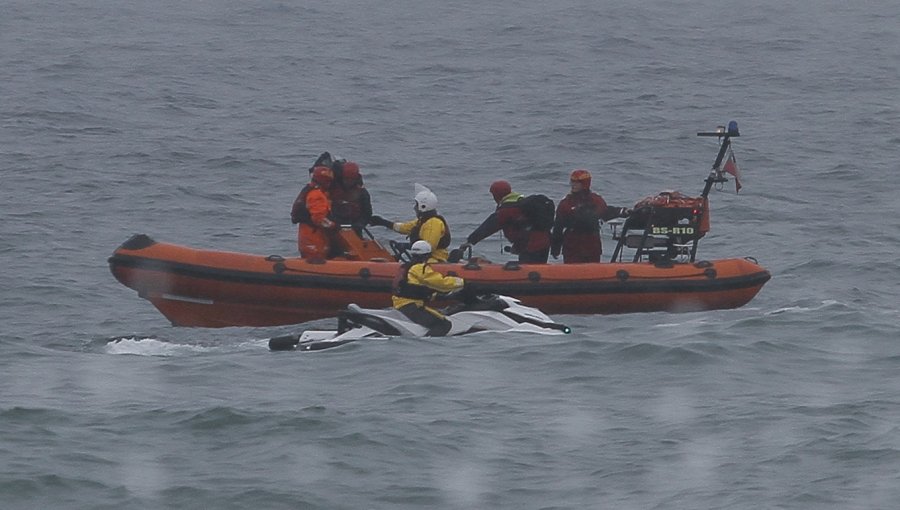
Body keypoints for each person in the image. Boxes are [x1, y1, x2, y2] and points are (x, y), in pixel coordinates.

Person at [458, 180, 551, 263]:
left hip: (530, 247)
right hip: (544, 243)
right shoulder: (523, 203)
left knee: (529, 272)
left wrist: (470, 241)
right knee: (539, 271)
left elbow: (488, 227)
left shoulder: (506, 210)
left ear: (496, 195)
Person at [550, 169, 629, 263]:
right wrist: (555, 248)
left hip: (591, 246)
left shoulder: (596, 200)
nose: (573, 185)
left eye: (577, 182)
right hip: (572, 246)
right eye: (572, 182)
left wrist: (623, 212)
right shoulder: (566, 203)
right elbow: (558, 227)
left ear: (585, 183)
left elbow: (606, 212)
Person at [392, 240, 465, 336]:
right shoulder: (420, 268)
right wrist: (462, 282)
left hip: (402, 304)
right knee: (444, 324)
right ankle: (427, 345)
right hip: (411, 306)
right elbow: (440, 283)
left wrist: (440, 296)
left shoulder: (406, 266)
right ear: (428, 254)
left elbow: (420, 287)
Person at [369, 184, 452, 262]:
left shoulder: (433, 223)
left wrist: (407, 246)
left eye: (416, 205)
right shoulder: (422, 221)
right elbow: (404, 227)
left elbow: (428, 247)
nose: (414, 208)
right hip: (425, 259)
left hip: (434, 260)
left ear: (423, 206)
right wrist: (383, 222)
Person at [291, 166, 336, 259]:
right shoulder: (316, 195)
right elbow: (319, 219)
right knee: (316, 258)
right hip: (314, 237)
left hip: (307, 235)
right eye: (328, 181)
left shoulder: (309, 189)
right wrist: (334, 225)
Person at [329, 161, 373, 234]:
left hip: (353, 225)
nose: (348, 182)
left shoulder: (362, 193)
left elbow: (367, 213)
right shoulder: (333, 186)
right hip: (334, 223)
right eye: (346, 179)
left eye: (351, 180)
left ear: (355, 179)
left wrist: (360, 224)